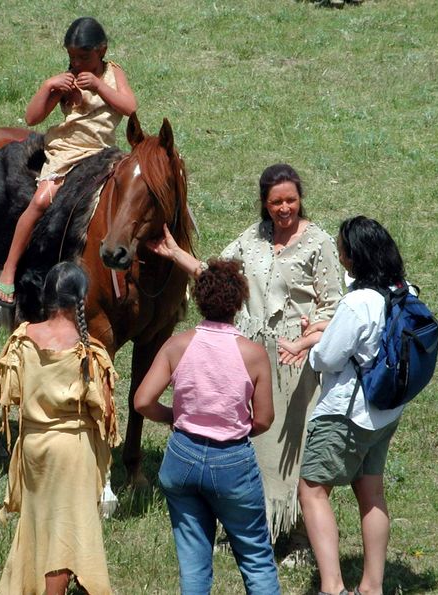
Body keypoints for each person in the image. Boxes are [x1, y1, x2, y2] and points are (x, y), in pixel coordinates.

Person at [147, 163, 343, 543]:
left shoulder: (318, 242)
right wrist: (176, 255)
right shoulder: (252, 239)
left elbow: (333, 305)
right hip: (250, 356)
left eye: (291, 200)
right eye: (276, 202)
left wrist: (307, 335)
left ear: (300, 199)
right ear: (264, 203)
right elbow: (218, 275)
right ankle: (247, 525)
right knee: (249, 443)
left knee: (293, 447)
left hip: (295, 361)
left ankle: (297, 532)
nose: (284, 208)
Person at [134, 259, 280, 594]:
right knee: (256, 557)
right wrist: (239, 427)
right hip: (232, 461)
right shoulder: (253, 354)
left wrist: (174, 416)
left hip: (181, 457)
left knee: (193, 564)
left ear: (198, 299)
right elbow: (264, 418)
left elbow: (142, 401)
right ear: (239, 302)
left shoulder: (177, 346)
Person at [0, 261, 120, 595]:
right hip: (70, 450)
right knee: (64, 532)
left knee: (39, 525)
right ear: (81, 298)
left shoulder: (22, 339)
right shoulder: (87, 350)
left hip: (33, 445)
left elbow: (13, 393)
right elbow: (103, 409)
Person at [298, 216, 408, 595]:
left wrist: (311, 343)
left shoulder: (357, 302)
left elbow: (327, 359)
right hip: (385, 413)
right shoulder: (403, 290)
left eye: (342, 248)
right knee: (372, 493)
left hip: (348, 414)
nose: (339, 254)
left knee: (312, 489)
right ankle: (372, 587)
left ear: (354, 257)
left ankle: (332, 587)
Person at [0, 16, 138, 307]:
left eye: (84, 57)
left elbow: (129, 107)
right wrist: (49, 86)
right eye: (72, 57)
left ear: (102, 50)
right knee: (40, 202)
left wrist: (99, 86)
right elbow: (33, 117)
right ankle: (9, 268)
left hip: (101, 150)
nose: (77, 63)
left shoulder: (113, 74)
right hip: (68, 150)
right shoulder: (67, 79)